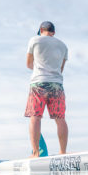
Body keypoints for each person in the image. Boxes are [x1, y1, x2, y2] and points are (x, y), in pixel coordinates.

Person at [24, 21, 68, 158]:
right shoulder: (63, 46)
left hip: (39, 83)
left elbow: (28, 64)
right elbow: (61, 69)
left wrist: (39, 67)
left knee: (35, 117)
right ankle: (62, 152)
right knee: (60, 118)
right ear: (53, 32)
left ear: (40, 30)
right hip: (57, 85)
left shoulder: (35, 40)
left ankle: (36, 152)